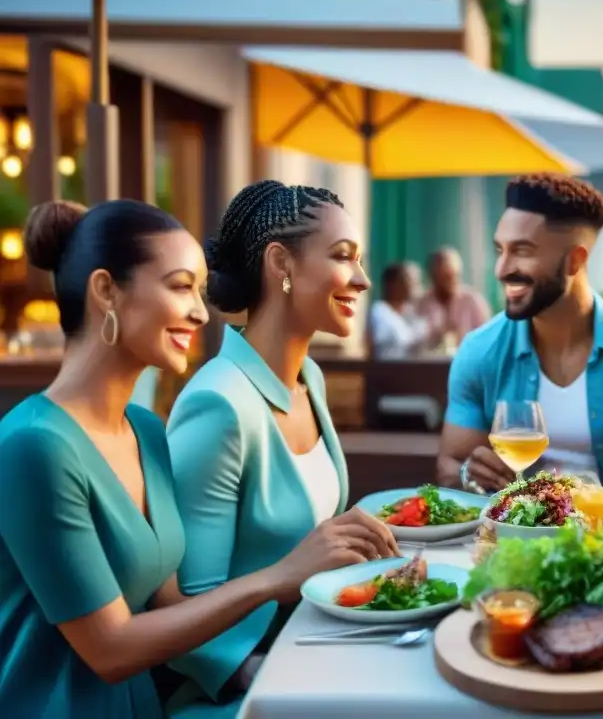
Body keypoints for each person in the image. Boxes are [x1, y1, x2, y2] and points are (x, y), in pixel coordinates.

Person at [0, 200, 379, 719]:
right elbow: (110, 649)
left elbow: (172, 605)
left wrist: (268, 665)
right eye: (180, 287)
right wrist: (276, 577)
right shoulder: (33, 446)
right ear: (106, 291)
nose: (202, 313)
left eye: (200, 291)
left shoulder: (148, 430)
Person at [166, 181, 399, 713]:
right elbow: (186, 609)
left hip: (317, 645)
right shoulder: (218, 405)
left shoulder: (308, 379)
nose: (361, 279)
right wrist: (271, 673)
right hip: (242, 692)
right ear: (281, 263)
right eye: (343, 257)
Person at [436, 173, 603, 494]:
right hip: (512, 540)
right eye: (500, 250)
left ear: (574, 260)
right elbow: (450, 465)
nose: (501, 269)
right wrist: (468, 474)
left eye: (523, 251)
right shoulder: (479, 351)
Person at [415, 246, 491, 347]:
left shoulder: (472, 300)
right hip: (431, 361)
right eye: (442, 276)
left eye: (452, 275)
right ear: (432, 276)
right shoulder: (421, 303)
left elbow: (487, 338)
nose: (447, 281)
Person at [370, 262, 437, 359]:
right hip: (388, 371)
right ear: (393, 285)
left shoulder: (411, 312)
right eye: (412, 280)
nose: (417, 287)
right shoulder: (379, 312)